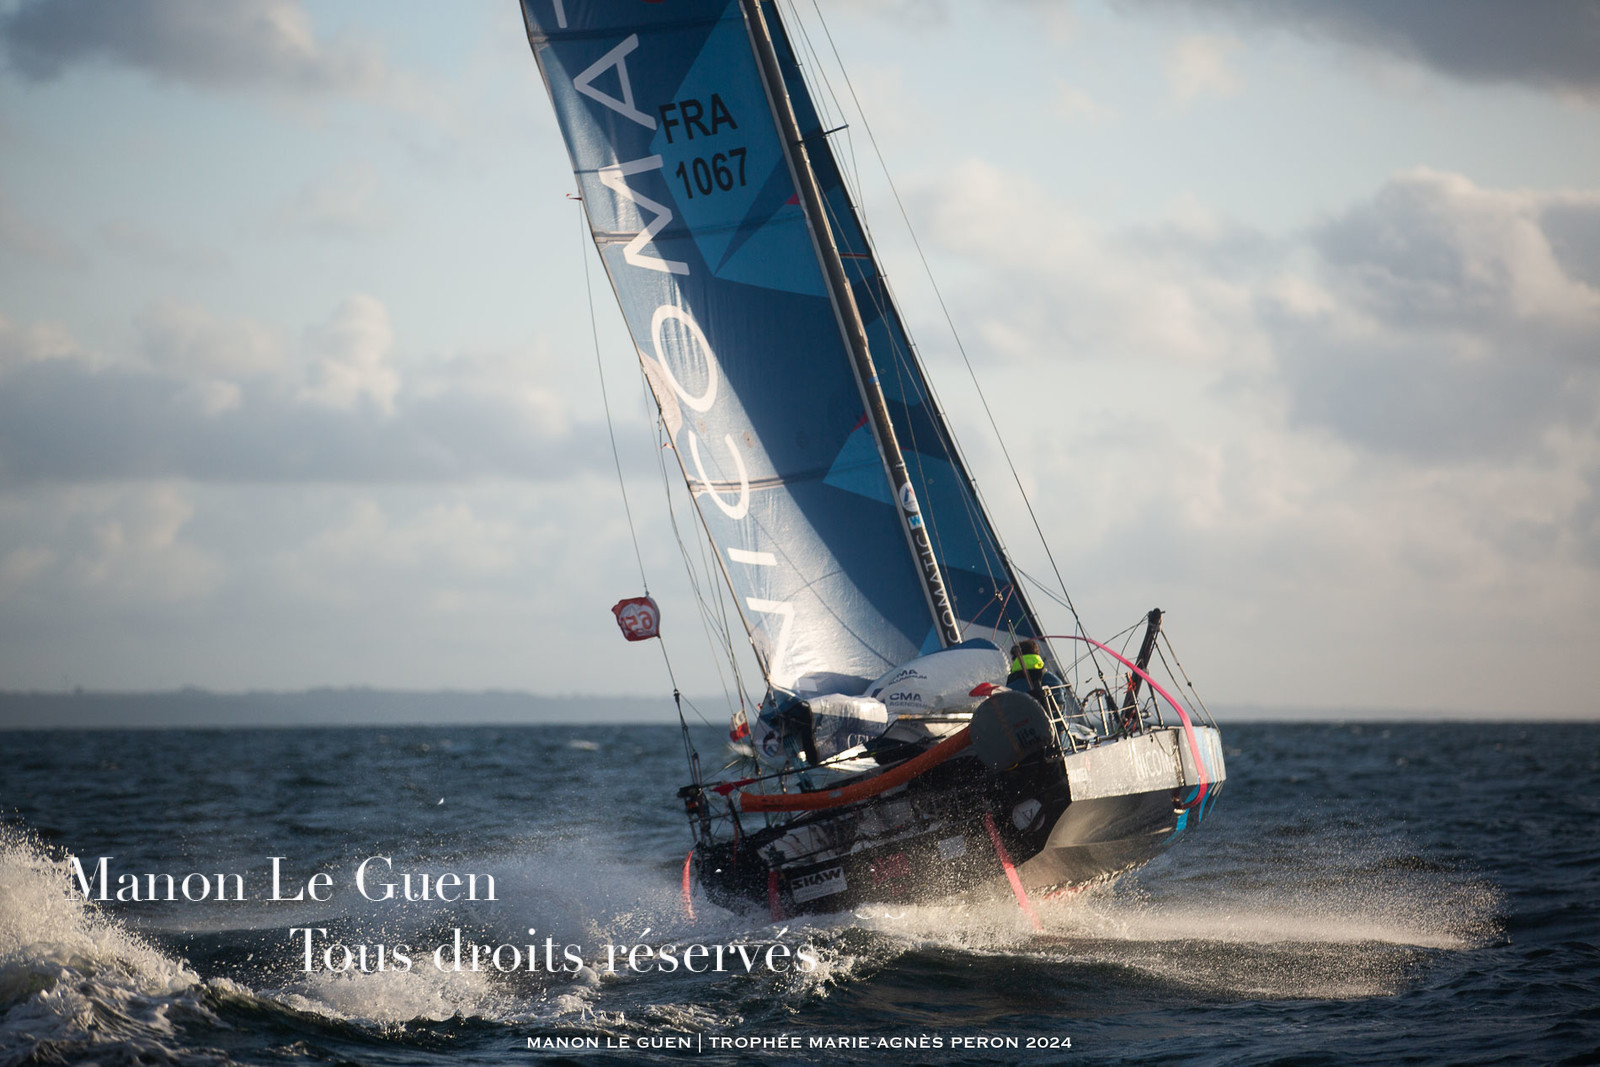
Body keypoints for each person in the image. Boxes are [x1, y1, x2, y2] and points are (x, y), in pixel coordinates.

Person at [1006, 639, 1066, 711]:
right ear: (1037, 655)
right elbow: (1060, 711)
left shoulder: (1009, 687)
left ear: (1015, 659)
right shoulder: (1055, 681)